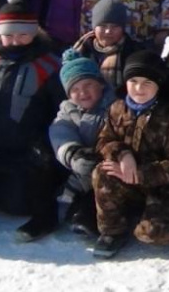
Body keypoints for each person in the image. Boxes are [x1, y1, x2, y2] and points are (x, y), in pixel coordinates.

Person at [0, 0, 66, 242]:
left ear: (34, 32)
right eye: (9, 34)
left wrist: (46, 145)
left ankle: (44, 215)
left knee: (17, 205)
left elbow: (63, 109)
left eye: (23, 34)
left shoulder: (50, 65)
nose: (15, 40)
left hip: (29, 151)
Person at [92, 51, 169, 258]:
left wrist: (139, 173)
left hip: (163, 186)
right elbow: (104, 140)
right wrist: (122, 154)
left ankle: (160, 215)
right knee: (102, 172)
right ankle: (112, 230)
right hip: (126, 176)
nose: (139, 89)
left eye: (147, 82)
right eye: (134, 81)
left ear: (158, 84)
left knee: (153, 234)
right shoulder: (117, 108)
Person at [49, 55, 113, 237]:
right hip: (77, 165)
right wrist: (72, 153)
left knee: (99, 192)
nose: (83, 92)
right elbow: (60, 131)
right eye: (75, 89)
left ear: (101, 84)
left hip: (104, 166)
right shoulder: (68, 110)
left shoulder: (114, 106)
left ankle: (89, 218)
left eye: (88, 85)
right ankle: (50, 213)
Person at [71, 0, 145, 91]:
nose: (108, 31)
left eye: (115, 27)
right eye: (103, 26)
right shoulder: (82, 50)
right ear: (94, 27)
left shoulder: (134, 53)